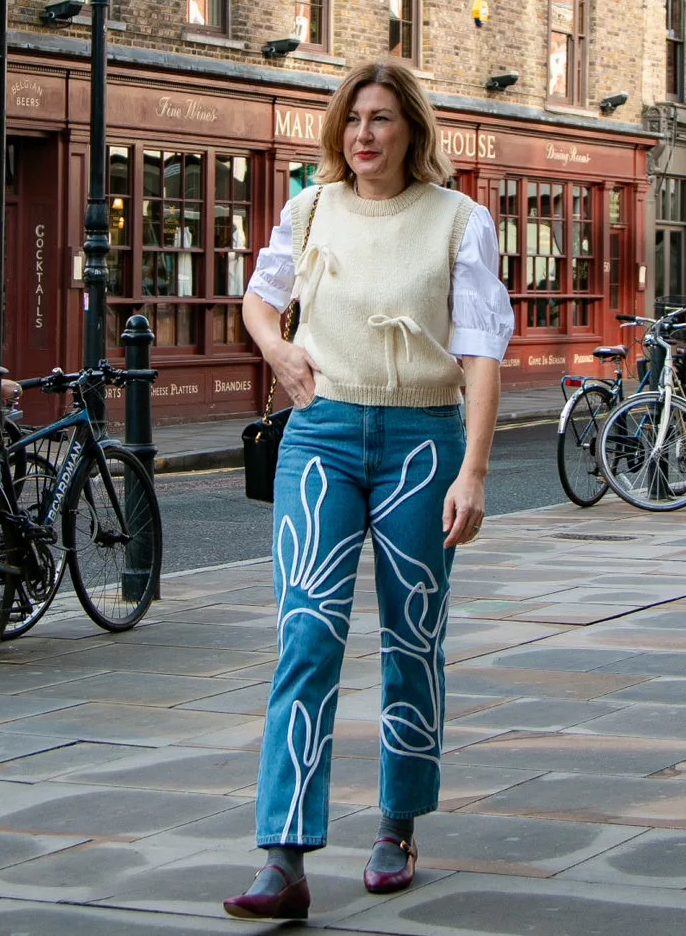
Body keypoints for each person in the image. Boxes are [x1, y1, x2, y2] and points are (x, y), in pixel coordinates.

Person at [224, 60, 514, 921]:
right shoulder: (309, 209)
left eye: (382, 119)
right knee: (305, 636)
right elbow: (259, 300)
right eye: (353, 119)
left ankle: (396, 823)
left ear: (411, 130)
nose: (364, 135)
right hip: (320, 437)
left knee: (410, 636)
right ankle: (282, 853)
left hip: (422, 443)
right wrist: (278, 352)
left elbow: (481, 353)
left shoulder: (458, 221)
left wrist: (474, 470)